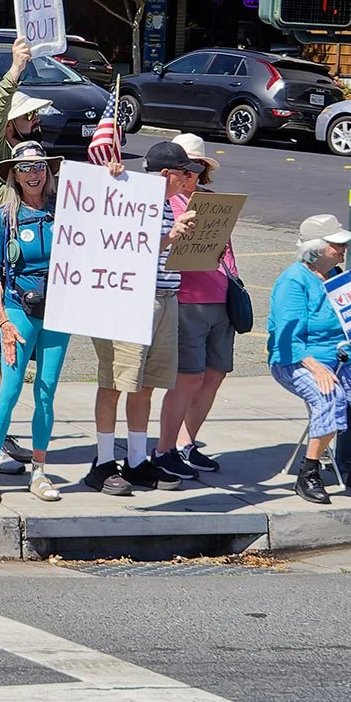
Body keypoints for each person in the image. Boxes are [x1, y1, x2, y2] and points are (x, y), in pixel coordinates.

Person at [86, 141, 199, 495]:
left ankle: (136, 460)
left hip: (165, 297)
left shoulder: (169, 205)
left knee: (146, 383)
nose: (188, 179)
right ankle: (103, 461)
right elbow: (127, 245)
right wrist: (170, 237)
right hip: (131, 300)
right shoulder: (133, 199)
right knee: (116, 381)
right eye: (184, 172)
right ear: (167, 174)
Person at [0, 37, 56, 476]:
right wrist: (15, 70)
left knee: (18, 370)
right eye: (28, 116)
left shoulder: (34, 171)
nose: (35, 121)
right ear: (10, 125)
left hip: (34, 287)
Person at [268, 215, 351, 505]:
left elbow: (348, 322)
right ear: (315, 249)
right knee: (329, 395)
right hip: (296, 359)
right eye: (337, 244)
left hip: (343, 355)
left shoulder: (337, 276)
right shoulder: (293, 281)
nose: (344, 248)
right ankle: (308, 472)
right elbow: (287, 339)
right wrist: (316, 368)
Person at [0, 142, 68, 502]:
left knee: (46, 393)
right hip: (18, 310)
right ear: (14, 173)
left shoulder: (64, 211)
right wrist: (3, 321)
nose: (34, 174)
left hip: (59, 313)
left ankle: (39, 472)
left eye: (40, 167)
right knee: (10, 389)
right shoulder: (6, 217)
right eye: (26, 168)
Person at [154, 133, 230, 478]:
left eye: (197, 166)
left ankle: (187, 443)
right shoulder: (164, 201)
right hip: (187, 299)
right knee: (187, 378)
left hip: (221, 294)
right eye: (186, 166)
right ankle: (165, 447)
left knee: (214, 374)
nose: (191, 173)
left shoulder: (211, 199)